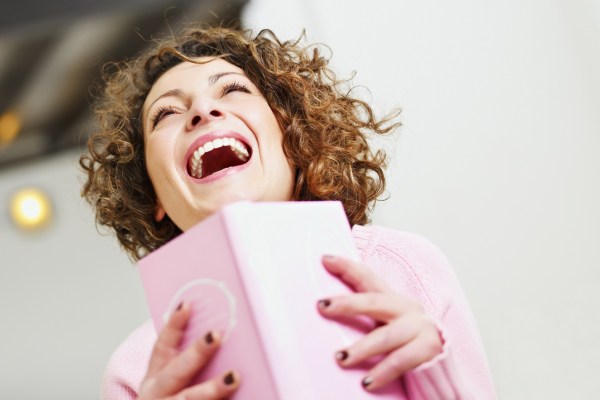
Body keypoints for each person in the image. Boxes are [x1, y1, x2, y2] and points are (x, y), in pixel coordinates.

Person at [81, 25, 496, 400]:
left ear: (292, 138)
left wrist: (435, 379)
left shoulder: (406, 268)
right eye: (166, 113)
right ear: (152, 192)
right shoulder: (134, 373)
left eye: (232, 90)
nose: (203, 112)